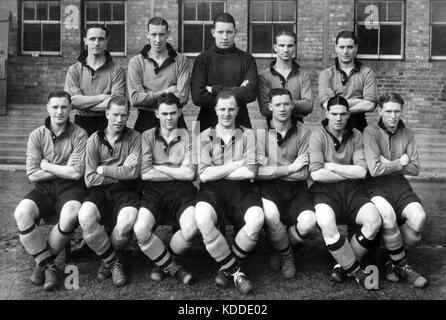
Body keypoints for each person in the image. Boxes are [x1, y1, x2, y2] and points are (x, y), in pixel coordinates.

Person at [14, 91, 88, 291]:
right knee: (22, 213)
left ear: (71, 108)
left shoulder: (80, 134)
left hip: (71, 188)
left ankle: (43, 265)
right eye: (55, 107)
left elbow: (76, 174)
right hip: (43, 189)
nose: (59, 111)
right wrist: (63, 169)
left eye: (64, 107)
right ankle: (48, 265)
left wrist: (46, 166)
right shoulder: (37, 135)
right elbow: (32, 174)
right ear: (48, 108)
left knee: (71, 214)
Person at [195, 90, 264, 295]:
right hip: (211, 191)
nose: (226, 113)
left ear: (237, 111)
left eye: (231, 109)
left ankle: (226, 267)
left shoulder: (248, 134)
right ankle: (236, 271)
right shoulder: (204, 136)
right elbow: (204, 175)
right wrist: (237, 163)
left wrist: (221, 170)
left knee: (256, 220)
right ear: (215, 110)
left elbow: (251, 172)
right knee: (202, 218)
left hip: (242, 191)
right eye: (222, 109)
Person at [309, 95, 381, 290]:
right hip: (324, 192)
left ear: (349, 114)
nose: (338, 118)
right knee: (326, 223)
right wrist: (348, 173)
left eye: (343, 114)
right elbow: (316, 174)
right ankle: (357, 272)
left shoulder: (356, 135)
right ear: (327, 114)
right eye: (334, 114)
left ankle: (342, 266)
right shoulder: (317, 135)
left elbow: (361, 171)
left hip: (352, 192)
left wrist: (331, 166)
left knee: (374, 220)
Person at [363, 93, 427, 288]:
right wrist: (400, 162)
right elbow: (374, 170)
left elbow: (415, 168)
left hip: (399, 183)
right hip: (375, 184)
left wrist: (388, 163)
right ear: (380, 111)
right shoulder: (370, 132)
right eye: (388, 111)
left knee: (418, 219)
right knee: (388, 216)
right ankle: (401, 265)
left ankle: (391, 260)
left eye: (397, 111)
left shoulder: (407, 133)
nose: (393, 116)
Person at [133, 93, 196, 285]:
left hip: (183, 191)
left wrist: (158, 167)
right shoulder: (146, 136)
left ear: (179, 113)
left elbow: (190, 175)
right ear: (157, 114)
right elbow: (145, 174)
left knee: (191, 230)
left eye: (173, 113)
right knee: (141, 229)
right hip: (154, 191)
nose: (169, 118)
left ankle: (162, 259)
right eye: (165, 113)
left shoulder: (191, 136)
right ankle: (171, 265)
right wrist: (177, 169)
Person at [78, 96, 141, 287]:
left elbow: (133, 173)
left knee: (126, 222)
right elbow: (90, 179)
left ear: (129, 115)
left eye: (124, 115)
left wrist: (103, 169)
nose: (119, 120)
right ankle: (113, 262)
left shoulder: (135, 137)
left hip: (126, 191)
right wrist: (121, 171)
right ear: (107, 113)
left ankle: (107, 260)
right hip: (99, 191)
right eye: (115, 115)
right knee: (85, 217)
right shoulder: (93, 140)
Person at [256, 88, 316, 279]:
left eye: (286, 104)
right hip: (269, 189)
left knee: (308, 222)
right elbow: (256, 174)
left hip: (297, 189)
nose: (282, 109)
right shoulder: (259, 133)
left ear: (292, 106)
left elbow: (305, 173)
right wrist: (290, 168)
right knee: (271, 216)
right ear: (270, 107)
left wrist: (272, 171)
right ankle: (287, 255)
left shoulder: (305, 132)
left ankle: (279, 246)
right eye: (278, 104)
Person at [191, 13, 259, 132]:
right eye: (220, 32)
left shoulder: (247, 59)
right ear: (213, 32)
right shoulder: (203, 59)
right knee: (203, 151)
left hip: (239, 123)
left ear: (235, 32)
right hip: (207, 123)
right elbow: (198, 97)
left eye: (229, 32)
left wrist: (213, 89)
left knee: (240, 151)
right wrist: (239, 89)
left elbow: (251, 93)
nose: (225, 37)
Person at [128, 17, 190, 133]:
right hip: (146, 120)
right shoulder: (136, 62)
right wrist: (166, 92)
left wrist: (147, 97)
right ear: (147, 34)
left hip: (174, 119)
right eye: (153, 35)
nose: (157, 39)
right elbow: (136, 99)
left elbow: (183, 97)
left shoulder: (181, 60)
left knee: (183, 150)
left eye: (161, 34)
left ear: (168, 34)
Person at [64, 24, 126, 136]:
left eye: (101, 39)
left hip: (109, 124)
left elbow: (116, 104)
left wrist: (83, 103)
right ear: (85, 41)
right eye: (92, 39)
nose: (96, 43)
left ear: (106, 41)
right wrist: (102, 97)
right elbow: (72, 102)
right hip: (81, 123)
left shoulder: (117, 70)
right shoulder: (74, 70)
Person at [319, 31, 377, 132]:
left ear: (356, 48)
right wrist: (360, 101)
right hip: (333, 126)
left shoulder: (367, 73)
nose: (345, 51)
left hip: (358, 126)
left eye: (350, 47)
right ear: (336, 48)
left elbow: (370, 105)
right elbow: (326, 105)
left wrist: (338, 106)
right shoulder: (326, 74)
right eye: (342, 47)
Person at [258, 30, 313, 126]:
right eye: (282, 45)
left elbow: (308, 106)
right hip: (272, 127)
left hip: (297, 126)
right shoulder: (264, 76)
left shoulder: (303, 76)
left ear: (295, 47)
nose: (286, 50)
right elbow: (265, 109)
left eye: (290, 46)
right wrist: (292, 105)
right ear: (275, 47)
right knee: (272, 141)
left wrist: (278, 105)